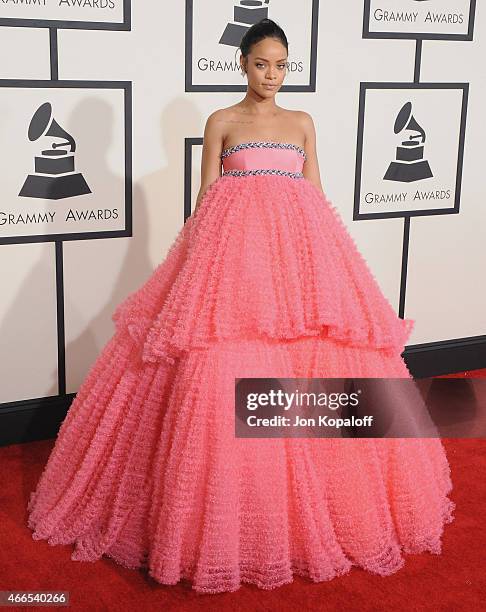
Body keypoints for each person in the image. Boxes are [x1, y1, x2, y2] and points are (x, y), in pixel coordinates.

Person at [27, 18, 455, 595]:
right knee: (216, 368)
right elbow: (207, 196)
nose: (272, 75)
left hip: (298, 265)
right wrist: (196, 273)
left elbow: (315, 196)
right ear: (243, 65)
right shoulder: (222, 122)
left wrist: (325, 266)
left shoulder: (302, 124)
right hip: (232, 265)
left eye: (281, 65)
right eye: (261, 64)